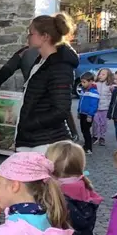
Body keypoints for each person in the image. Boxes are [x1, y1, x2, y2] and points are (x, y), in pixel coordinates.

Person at [15, 13, 79, 154]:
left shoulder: (60, 67)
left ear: (45, 36)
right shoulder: (41, 62)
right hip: (32, 141)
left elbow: (61, 110)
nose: (28, 37)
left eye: (31, 33)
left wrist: (28, 124)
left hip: (46, 144)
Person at [0, 45, 80, 143]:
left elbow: (7, 69)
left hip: (32, 94)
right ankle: (73, 135)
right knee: (61, 109)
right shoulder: (57, 50)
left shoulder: (25, 52)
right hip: (53, 91)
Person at [76, 72, 99, 154]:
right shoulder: (83, 90)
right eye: (81, 82)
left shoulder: (94, 92)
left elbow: (94, 105)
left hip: (88, 115)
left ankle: (89, 148)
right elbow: (80, 102)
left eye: (84, 82)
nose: (82, 84)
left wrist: (90, 115)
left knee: (86, 131)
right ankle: (86, 145)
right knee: (83, 130)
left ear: (91, 81)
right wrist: (79, 111)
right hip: (82, 114)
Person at [92, 68, 114, 147]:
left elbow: (114, 96)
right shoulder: (95, 84)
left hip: (105, 108)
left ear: (108, 76)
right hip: (95, 108)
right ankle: (94, 136)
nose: (100, 76)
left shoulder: (110, 86)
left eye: (103, 74)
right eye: (100, 74)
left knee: (103, 123)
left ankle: (102, 137)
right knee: (95, 123)